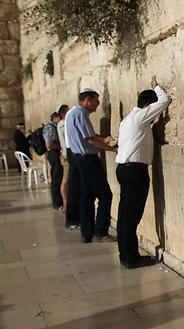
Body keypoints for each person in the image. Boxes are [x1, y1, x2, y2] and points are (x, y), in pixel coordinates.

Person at [115, 75, 171, 269]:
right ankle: (131, 258)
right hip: (134, 171)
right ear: (148, 105)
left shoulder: (128, 120)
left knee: (124, 215)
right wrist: (156, 87)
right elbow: (164, 102)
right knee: (131, 216)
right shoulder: (140, 116)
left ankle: (125, 254)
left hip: (123, 168)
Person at [65, 88, 117, 243]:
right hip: (88, 160)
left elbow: (90, 136)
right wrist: (112, 148)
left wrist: (103, 139)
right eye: (96, 100)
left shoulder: (72, 114)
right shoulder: (80, 113)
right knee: (105, 195)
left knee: (87, 196)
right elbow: (90, 140)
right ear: (87, 99)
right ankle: (101, 232)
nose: (98, 104)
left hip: (80, 160)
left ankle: (87, 233)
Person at [43, 111, 63, 209]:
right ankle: (57, 203)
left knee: (58, 177)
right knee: (56, 178)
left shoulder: (54, 126)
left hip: (55, 153)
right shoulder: (50, 127)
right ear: (55, 117)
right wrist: (61, 146)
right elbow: (49, 144)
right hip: (53, 154)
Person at [56, 105, 71, 214]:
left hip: (65, 155)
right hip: (67, 156)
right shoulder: (63, 124)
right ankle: (66, 204)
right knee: (65, 181)